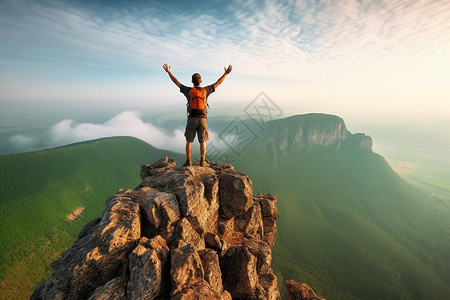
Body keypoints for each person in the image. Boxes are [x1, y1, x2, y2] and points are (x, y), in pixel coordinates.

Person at [163, 63, 232, 167]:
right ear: (201, 81)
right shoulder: (206, 90)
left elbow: (176, 81)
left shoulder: (188, 90)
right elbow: (218, 82)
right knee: (202, 141)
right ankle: (202, 161)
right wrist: (226, 73)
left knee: (189, 140)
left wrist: (169, 71)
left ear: (192, 81)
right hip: (202, 118)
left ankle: (188, 161)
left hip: (191, 118)